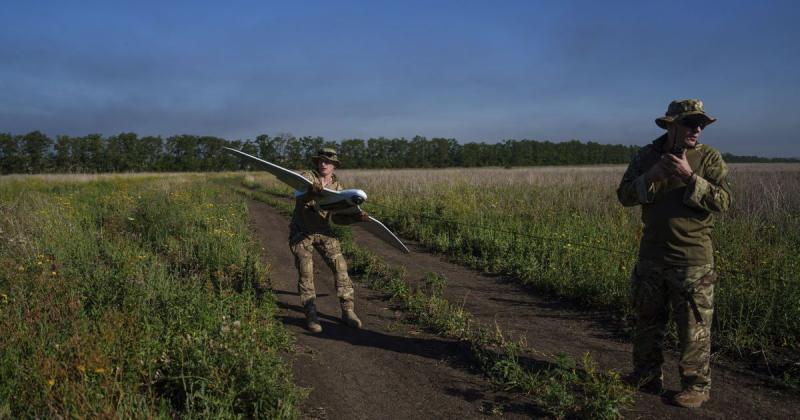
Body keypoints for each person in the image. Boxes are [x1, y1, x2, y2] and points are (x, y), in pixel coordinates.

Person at [617, 99, 731, 408]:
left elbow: (723, 202)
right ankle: (645, 376)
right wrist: (651, 175)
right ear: (671, 125)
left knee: (693, 329)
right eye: (690, 122)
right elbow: (624, 195)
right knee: (647, 321)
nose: (697, 129)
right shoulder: (646, 156)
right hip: (652, 255)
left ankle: (696, 386)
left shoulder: (709, 157)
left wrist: (689, 177)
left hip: (692, 260)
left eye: (701, 124)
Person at [290, 148, 369, 333]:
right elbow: (299, 198)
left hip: (324, 232)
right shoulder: (307, 177)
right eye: (321, 160)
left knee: (341, 268)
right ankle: (311, 315)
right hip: (302, 233)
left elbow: (338, 218)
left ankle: (348, 311)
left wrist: (355, 218)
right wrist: (310, 192)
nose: (323, 164)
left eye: (328, 161)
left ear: (334, 166)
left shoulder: (338, 188)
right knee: (306, 272)